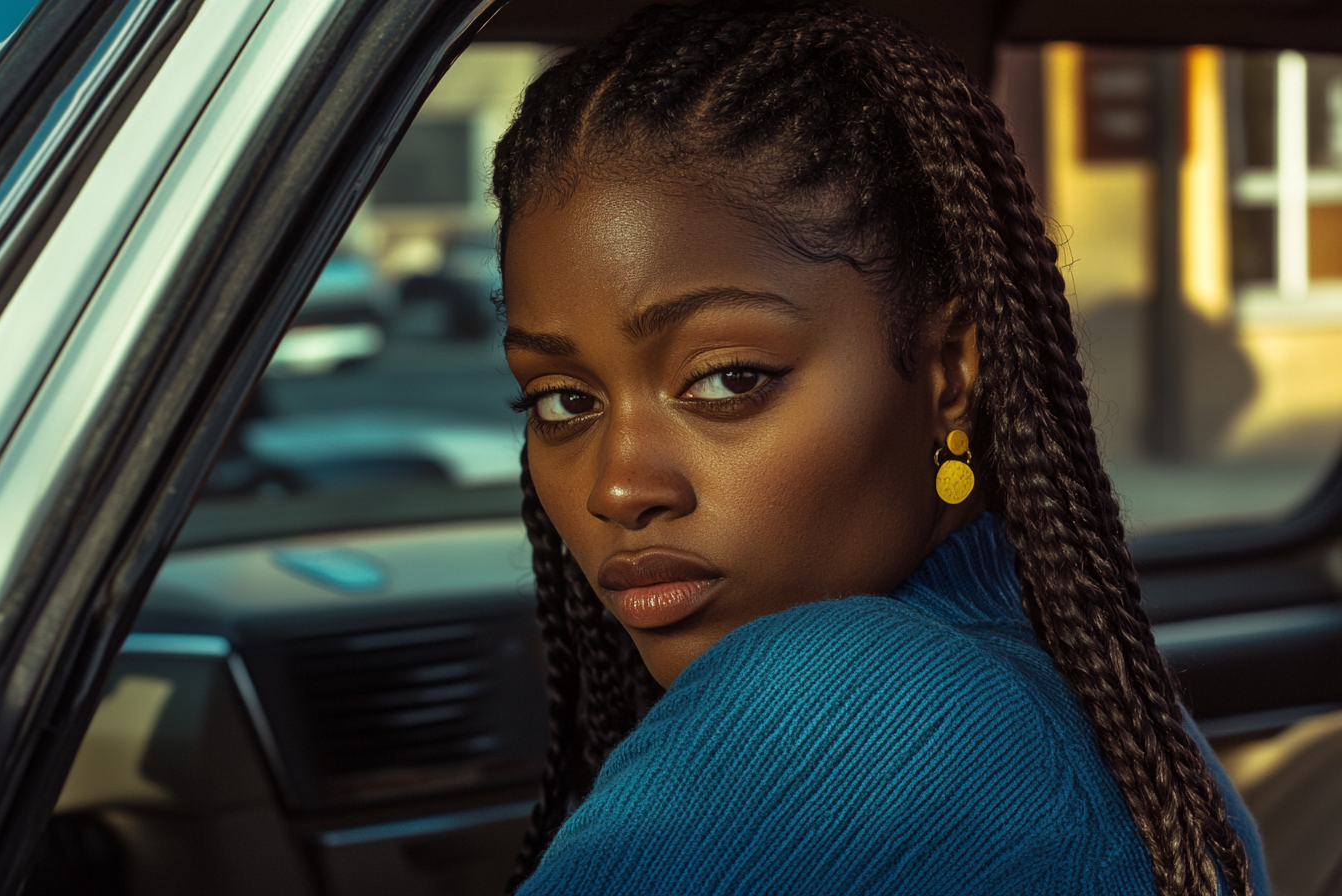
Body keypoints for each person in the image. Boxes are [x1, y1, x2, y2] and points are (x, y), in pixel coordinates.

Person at [491, 2, 1271, 893]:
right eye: (562, 399)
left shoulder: (834, 703)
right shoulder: (1114, 704)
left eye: (728, 380)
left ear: (947, 373)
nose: (620, 489)